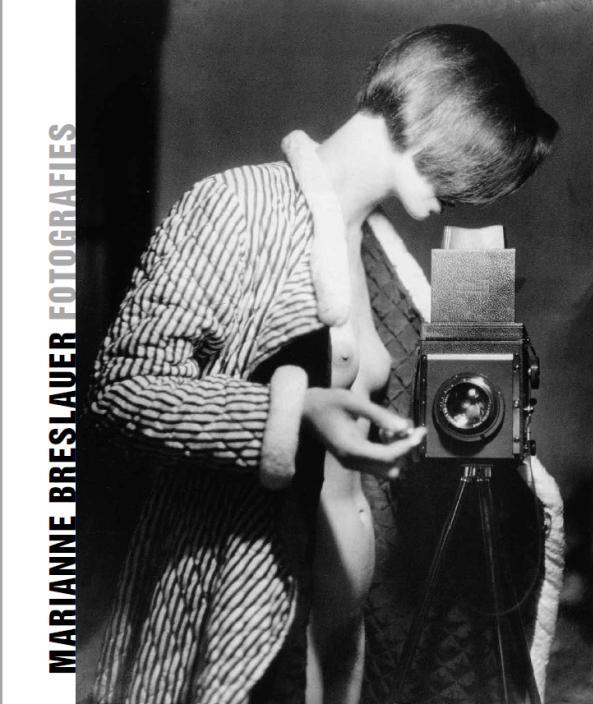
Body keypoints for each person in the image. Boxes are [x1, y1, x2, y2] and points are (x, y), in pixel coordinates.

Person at [88, 24, 558, 704]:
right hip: (254, 618)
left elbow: (460, 422)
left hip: (351, 631)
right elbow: (120, 392)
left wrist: (480, 316)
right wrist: (295, 416)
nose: (479, 195)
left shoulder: (377, 248)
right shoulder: (238, 203)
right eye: (484, 169)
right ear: (445, 120)